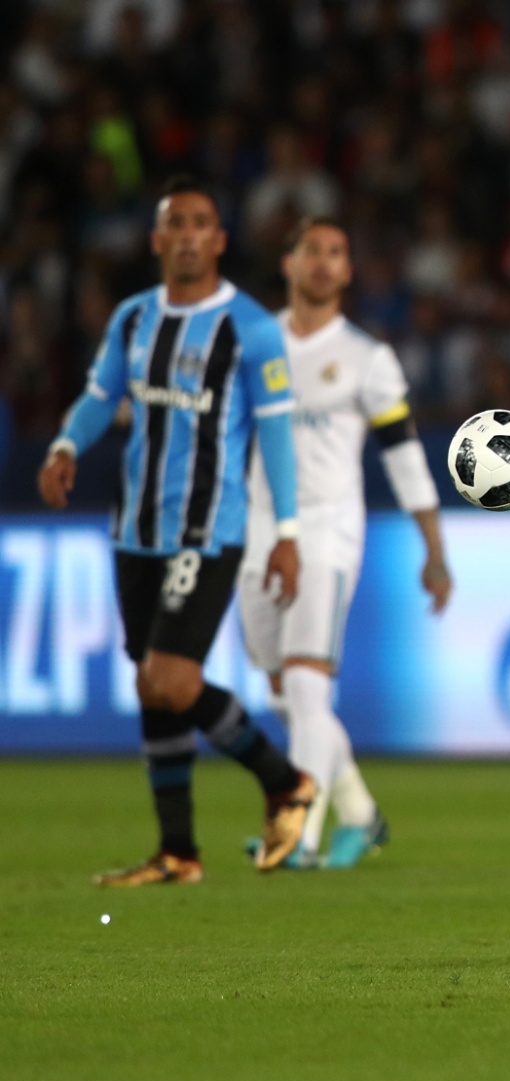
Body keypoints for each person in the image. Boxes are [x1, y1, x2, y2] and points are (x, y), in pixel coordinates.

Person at [38, 176, 315, 885]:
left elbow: (277, 436)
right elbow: (101, 398)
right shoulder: (134, 319)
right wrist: (66, 445)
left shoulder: (252, 327)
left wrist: (286, 531)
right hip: (135, 529)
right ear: (158, 240)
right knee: (151, 685)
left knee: (170, 676)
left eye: (201, 223)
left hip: (209, 529)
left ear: (219, 241)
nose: (189, 234)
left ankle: (284, 779)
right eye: (176, 224)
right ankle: (178, 853)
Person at [237, 216, 452, 869]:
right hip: (256, 535)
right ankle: (359, 814)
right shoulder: (252, 343)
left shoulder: (366, 358)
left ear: (348, 270)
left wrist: (434, 548)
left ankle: (296, 836)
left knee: (306, 690)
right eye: (314, 252)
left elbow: (403, 454)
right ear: (289, 263)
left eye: (337, 252)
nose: (325, 263)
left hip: (329, 534)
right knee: (281, 690)